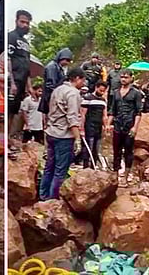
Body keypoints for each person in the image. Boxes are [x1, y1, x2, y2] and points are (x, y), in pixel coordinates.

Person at [39, 68, 85, 201]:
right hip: (63, 136)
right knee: (60, 171)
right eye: (83, 80)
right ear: (77, 78)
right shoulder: (73, 93)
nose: (83, 83)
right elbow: (72, 118)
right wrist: (77, 139)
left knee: (49, 167)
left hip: (51, 132)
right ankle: (54, 200)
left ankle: (43, 196)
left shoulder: (57, 90)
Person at [107, 69, 143, 184]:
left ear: (131, 78)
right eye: (122, 77)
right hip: (118, 125)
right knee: (116, 151)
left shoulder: (136, 93)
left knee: (128, 152)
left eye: (126, 77)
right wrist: (108, 124)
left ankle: (126, 178)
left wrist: (135, 128)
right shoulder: (116, 92)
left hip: (129, 126)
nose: (123, 79)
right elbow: (113, 110)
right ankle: (116, 176)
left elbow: (138, 112)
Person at [8, 10, 33, 137]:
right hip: (12, 81)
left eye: (27, 23)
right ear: (16, 21)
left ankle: (8, 139)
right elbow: (8, 60)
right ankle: (3, 142)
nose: (25, 25)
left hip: (22, 83)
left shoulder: (26, 44)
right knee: (7, 111)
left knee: (14, 111)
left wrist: (29, 86)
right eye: (22, 22)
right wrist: (11, 82)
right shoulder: (11, 37)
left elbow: (27, 66)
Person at [81, 81, 108, 169]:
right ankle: (85, 167)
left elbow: (105, 115)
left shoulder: (103, 100)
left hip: (98, 127)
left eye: (103, 91)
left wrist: (106, 126)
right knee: (87, 147)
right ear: (96, 87)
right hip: (89, 126)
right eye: (100, 90)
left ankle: (93, 166)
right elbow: (83, 115)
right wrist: (82, 129)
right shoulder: (87, 98)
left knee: (96, 149)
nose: (102, 92)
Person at [38, 48, 73, 115]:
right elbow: (50, 85)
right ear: (61, 58)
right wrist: (56, 97)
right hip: (50, 97)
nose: (68, 63)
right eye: (67, 60)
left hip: (54, 96)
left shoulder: (59, 68)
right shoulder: (52, 67)